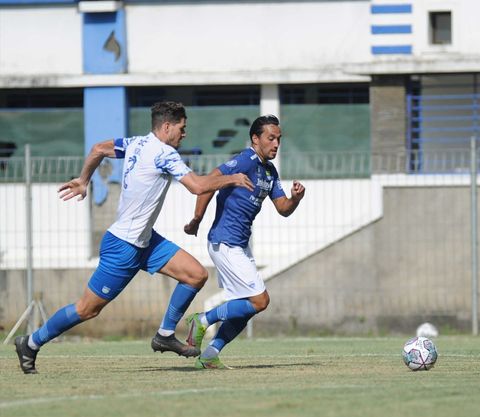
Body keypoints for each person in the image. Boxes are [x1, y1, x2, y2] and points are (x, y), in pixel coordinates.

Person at [14, 101, 255, 374]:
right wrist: (231, 178)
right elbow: (197, 186)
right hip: (123, 247)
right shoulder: (165, 153)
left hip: (146, 241)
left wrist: (84, 180)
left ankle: (164, 334)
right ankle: (31, 343)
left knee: (195, 275)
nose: (184, 134)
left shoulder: (136, 143)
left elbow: (98, 149)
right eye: (182, 128)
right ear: (167, 126)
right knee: (87, 309)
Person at [183, 114, 305, 369]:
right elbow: (208, 183)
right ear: (255, 138)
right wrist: (196, 219)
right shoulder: (244, 160)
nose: (276, 144)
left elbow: (282, 208)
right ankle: (203, 320)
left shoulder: (269, 171)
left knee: (247, 307)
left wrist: (295, 199)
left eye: (279, 139)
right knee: (260, 300)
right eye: (271, 138)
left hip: (239, 245)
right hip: (225, 242)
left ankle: (210, 354)